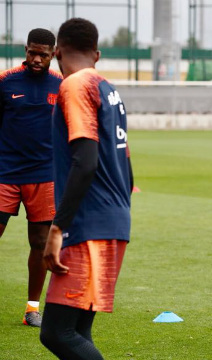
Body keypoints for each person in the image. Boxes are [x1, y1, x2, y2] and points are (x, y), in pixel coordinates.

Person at [39, 18, 132, 360]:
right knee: (78, 331)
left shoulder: (75, 86)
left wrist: (58, 227)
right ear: (97, 54)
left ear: (57, 52)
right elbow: (125, 163)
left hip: (88, 224)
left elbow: (86, 160)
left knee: (56, 332)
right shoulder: (109, 88)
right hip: (114, 221)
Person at [0, 28, 62, 327]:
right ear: (26, 50)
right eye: (32, 53)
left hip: (43, 175)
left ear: (54, 53)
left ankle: (31, 309)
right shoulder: (5, 81)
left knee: (39, 242)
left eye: (43, 54)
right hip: (5, 172)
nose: (36, 59)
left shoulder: (61, 85)